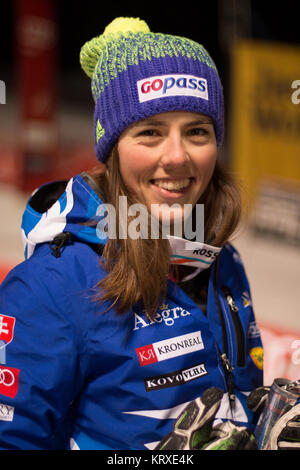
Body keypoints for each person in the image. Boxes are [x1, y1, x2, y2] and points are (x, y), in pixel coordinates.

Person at [0, 17, 266, 450]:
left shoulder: (219, 258)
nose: (177, 156)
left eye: (197, 131)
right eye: (150, 133)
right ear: (112, 149)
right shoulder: (51, 286)